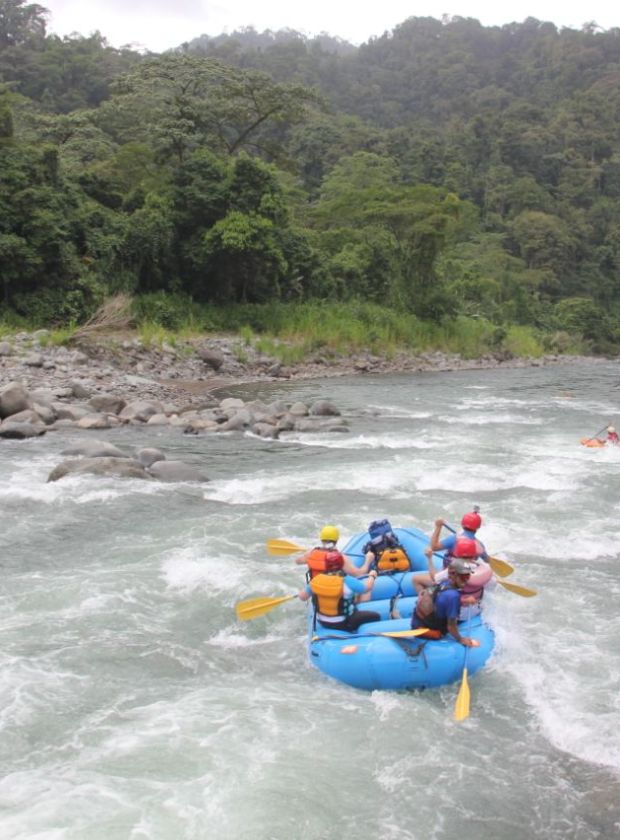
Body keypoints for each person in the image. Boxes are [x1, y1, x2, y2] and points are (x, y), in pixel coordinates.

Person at [414, 510, 488, 593]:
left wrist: (438, 526)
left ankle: (425, 601)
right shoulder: (480, 546)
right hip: (466, 585)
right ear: (478, 527)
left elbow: (434, 547)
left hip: (449, 579)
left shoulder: (455, 539)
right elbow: (487, 560)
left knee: (416, 579)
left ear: (462, 524)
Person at [410, 559, 479, 647]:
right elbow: (451, 626)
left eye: (467, 576)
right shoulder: (453, 596)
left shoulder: (444, 583)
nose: (465, 581)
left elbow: (442, 599)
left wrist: (464, 601)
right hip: (425, 630)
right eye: (462, 577)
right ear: (453, 575)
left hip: (417, 620)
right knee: (441, 633)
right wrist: (460, 639)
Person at [298, 568, 381, 633]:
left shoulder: (316, 580)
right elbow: (367, 588)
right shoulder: (347, 580)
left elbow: (302, 597)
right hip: (344, 623)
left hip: (322, 622)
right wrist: (372, 576)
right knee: (376, 616)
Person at [296, 525, 371, 580]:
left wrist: (309, 552)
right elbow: (359, 574)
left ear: (321, 539)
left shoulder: (310, 553)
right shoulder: (341, 558)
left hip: (316, 592)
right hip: (334, 593)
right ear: (337, 540)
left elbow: (298, 561)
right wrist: (368, 560)